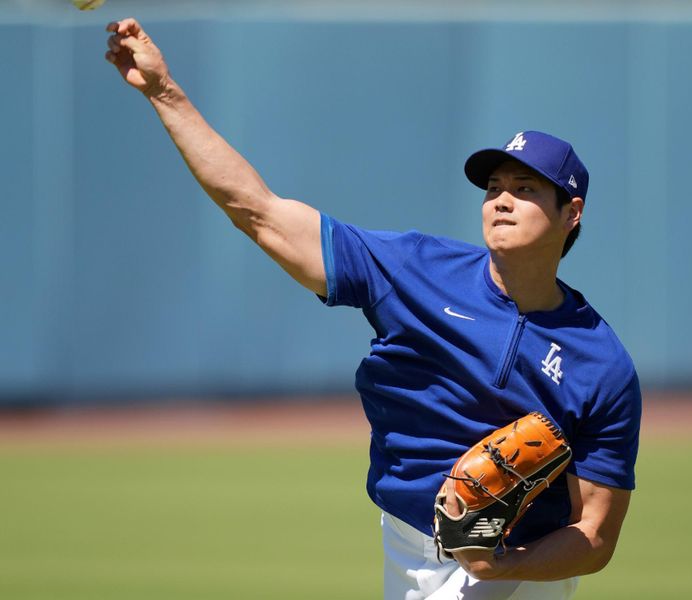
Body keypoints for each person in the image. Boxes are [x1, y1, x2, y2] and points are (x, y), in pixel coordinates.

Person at [105, 18, 641, 600]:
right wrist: (164, 92)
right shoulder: (415, 269)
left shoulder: (601, 365)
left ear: (572, 213)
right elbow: (257, 212)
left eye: (526, 188)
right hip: (407, 549)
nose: (502, 201)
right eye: (493, 188)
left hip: (521, 564)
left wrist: (500, 565)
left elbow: (595, 536)